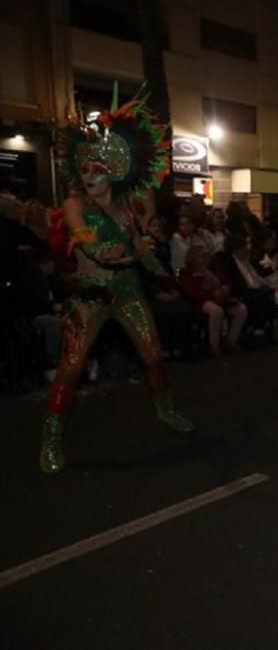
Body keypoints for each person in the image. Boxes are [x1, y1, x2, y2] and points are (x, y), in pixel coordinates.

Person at [41, 91, 193, 473]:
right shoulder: (76, 205)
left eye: (97, 170)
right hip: (89, 298)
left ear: (113, 173)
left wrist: (156, 268)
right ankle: (52, 438)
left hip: (127, 293)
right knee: (71, 369)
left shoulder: (127, 213)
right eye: (86, 170)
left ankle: (166, 409)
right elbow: (80, 234)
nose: (89, 176)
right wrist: (97, 252)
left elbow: (140, 251)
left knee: (154, 357)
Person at [178, 244, 247, 355]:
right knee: (216, 311)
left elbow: (227, 282)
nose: (205, 259)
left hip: (221, 298)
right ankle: (214, 345)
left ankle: (231, 340)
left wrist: (225, 289)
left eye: (206, 256)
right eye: (201, 256)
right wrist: (213, 295)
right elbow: (193, 293)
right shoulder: (187, 273)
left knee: (241, 309)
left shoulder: (214, 268)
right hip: (202, 301)